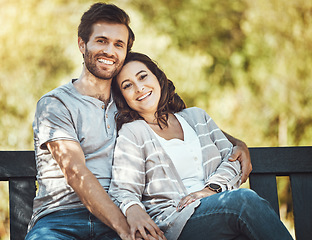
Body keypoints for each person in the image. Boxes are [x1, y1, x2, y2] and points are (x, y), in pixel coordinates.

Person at [26, 2, 251, 240]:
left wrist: (237, 143)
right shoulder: (55, 104)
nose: (109, 51)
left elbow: (181, 120)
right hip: (60, 220)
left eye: (118, 44)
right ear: (82, 44)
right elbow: (75, 171)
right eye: (101, 41)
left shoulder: (130, 100)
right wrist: (125, 229)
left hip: (115, 222)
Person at [108, 52, 293, 240]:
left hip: (218, 212)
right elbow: (123, 189)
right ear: (123, 97)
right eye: (128, 85)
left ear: (157, 77)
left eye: (142, 76)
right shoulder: (132, 133)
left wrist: (211, 190)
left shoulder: (197, 118)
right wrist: (133, 210)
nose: (139, 88)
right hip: (175, 223)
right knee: (245, 200)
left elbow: (233, 159)